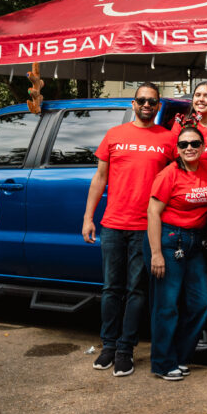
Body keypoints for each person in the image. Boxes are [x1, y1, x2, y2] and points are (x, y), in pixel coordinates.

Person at [82, 82, 176, 376]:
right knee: (111, 288)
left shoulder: (169, 139)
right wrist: (88, 217)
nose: (147, 105)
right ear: (133, 104)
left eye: (152, 101)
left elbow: (177, 179)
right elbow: (99, 178)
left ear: (158, 106)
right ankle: (107, 346)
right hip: (112, 224)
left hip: (146, 226)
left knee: (137, 290)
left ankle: (126, 349)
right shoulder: (114, 135)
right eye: (142, 100)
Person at [145, 125, 207, 380]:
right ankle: (162, 362)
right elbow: (153, 212)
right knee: (167, 306)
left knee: (201, 303)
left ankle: (181, 356)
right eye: (183, 145)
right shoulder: (169, 174)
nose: (189, 148)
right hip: (168, 240)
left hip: (194, 243)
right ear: (177, 149)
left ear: (203, 146)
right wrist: (156, 253)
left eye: (194, 143)